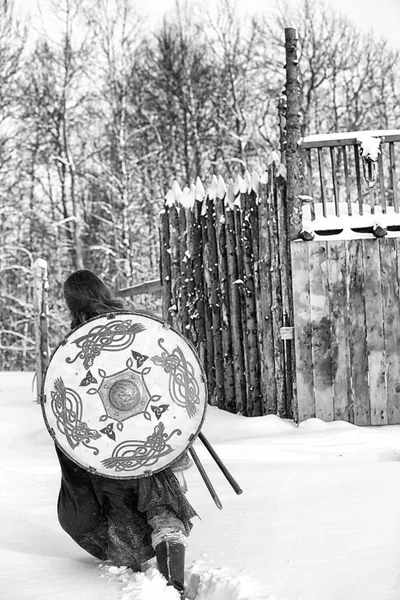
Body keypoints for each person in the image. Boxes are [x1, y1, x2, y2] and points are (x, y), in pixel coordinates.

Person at [55, 269, 196, 600]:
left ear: (71, 303)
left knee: (136, 499)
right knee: (158, 497)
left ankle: (150, 555)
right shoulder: (135, 322)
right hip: (143, 436)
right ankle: (164, 544)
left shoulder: (83, 342)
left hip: (123, 440)